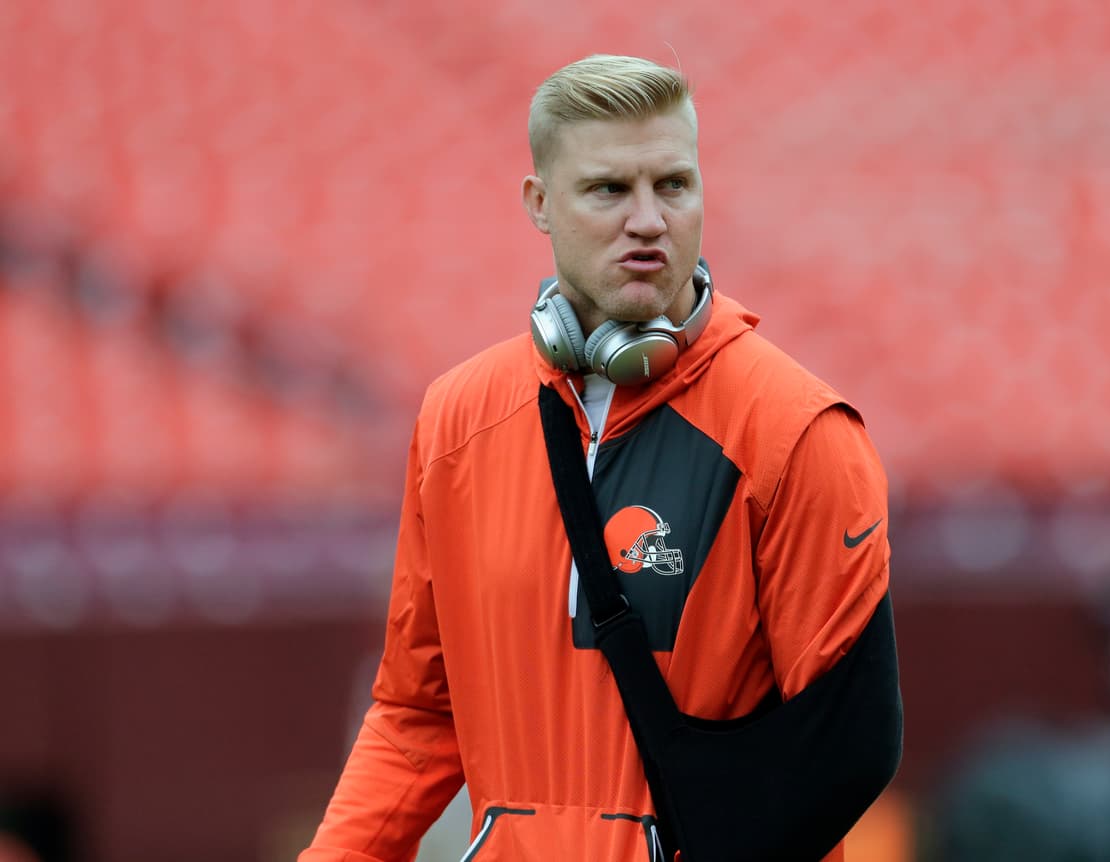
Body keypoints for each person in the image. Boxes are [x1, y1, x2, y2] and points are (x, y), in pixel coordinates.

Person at [302, 54, 900, 862]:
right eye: (610, 189)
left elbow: (845, 750)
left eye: (674, 185)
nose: (649, 219)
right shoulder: (456, 421)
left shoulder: (799, 433)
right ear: (539, 204)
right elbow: (417, 713)